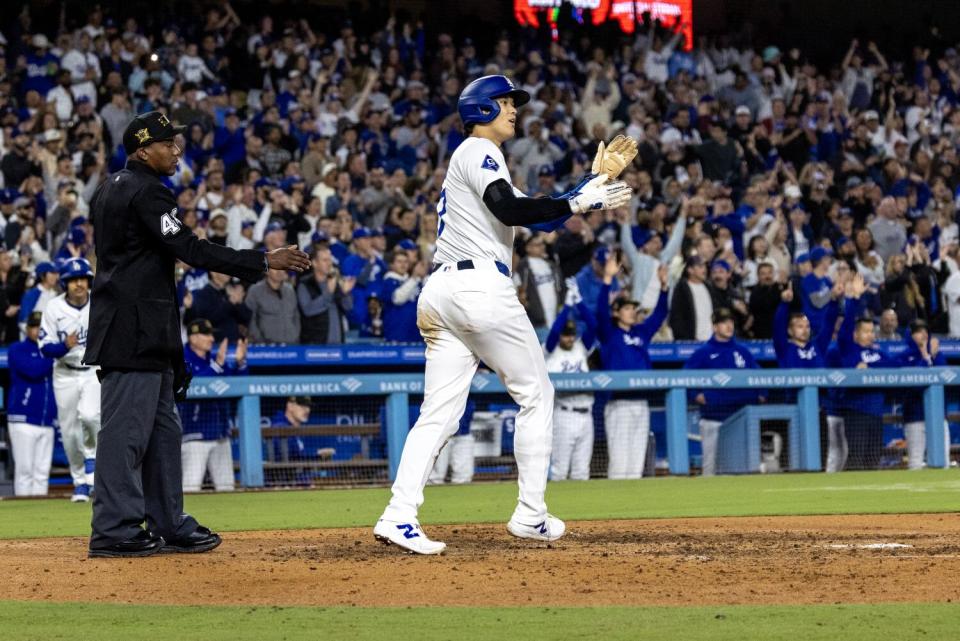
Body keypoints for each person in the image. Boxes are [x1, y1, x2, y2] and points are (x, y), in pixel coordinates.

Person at [374, 75, 632, 554]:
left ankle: (398, 514)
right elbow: (511, 208)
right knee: (536, 393)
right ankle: (530, 514)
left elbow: (533, 213)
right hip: (478, 290)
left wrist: (590, 186)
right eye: (506, 102)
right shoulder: (478, 150)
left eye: (514, 102)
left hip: (443, 293)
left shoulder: (475, 160)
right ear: (482, 110)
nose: (514, 108)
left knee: (438, 414)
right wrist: (578, 199)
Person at [85, 111, 309, 558]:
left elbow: (144, 268)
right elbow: (190, 249)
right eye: (168, 143)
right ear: (142, 150)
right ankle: (114, 528)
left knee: (163, 433)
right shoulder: (147, 191)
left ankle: (168, 522)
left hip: (147, 332)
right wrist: (265, 260)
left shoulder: (113, 186)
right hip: (134, 333)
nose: (177, 149)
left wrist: (173, 351)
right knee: (125, 435)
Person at [596, 260, 669, 479]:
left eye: (633, 308)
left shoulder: (640, 332)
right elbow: (600, 312)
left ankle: (632, 510)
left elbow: (659, 315)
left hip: (640, 401)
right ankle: (615, 509)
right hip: (619, 402)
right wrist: (607, 281)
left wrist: (664, 287)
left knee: (637, 461)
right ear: (617, 312)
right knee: (620, 461)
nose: (632, 311)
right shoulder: (609, 333)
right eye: (627, 308)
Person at [39, 258, 100, 502]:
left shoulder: (99, 302)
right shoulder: (54, 308)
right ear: (65, 283)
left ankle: (93, 470)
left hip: (92, 369)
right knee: (70, 431)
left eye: (83, 279)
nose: (79, 284)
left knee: (90, 416)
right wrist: (65, 346)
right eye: (74, 280)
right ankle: (80, 483)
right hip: (64, 371)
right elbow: (45, 348)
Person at [685, 308, 765, 476]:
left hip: (741, 418)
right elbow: (685, 379)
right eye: (723, 322)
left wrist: (762, 394)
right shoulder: (703, 353)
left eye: (731, 322)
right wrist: (697, 396)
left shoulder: (743, 352)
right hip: (714, 418)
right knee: (711, 467)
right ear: (715, 327)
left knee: (741, 467)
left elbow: (760, 375)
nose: (729, 326)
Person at [833, 273, 898, 470]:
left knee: (873, 458)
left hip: (876, 412)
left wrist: (870, 368)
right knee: (856, 457)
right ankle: (847, 496)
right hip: (856, 411)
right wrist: (853, 299)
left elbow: (894, 367)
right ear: (856, 334)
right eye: (866, 331)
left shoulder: (878, 353)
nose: (870, 335)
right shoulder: (849, 348)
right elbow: (844, 329)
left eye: (872, 331)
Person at [179, 319, 247, 492]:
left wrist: (240, 363)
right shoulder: (182, 358)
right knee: (190, 488)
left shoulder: (213, 359)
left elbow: (237, 384)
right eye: (206, 334)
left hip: (220, 434)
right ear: (193, 337)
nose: (211, 339)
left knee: (227, 489)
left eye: (211, 334)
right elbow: (191, 385)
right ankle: (181, 520)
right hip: (194, 436)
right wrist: (217, 366)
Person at [543, 281, 597, 481]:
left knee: (582, 471)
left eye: (572, 334)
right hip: (564, 413)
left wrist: (579, 302)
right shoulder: (549, 350)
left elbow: (593, 325)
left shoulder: (580, 348)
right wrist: (566, 307)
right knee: (559, 470)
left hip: (587, 413)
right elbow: (554, 332)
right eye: (566, 335)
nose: (569, 338)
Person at [7, 311, 57, 496]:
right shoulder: (17, 349)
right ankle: (23, 513)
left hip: (47, 420)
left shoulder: (49, 351)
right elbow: (33, 371)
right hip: (23, 418)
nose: (38, 330)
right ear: (28, 328)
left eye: (42, 327)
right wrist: (56, 354)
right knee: (25, 471)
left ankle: (40, 515)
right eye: (35, 326)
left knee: (42, 473)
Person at [897, 319, 948, 470]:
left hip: (938, 416)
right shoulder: (904, 357)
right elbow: (915, 385)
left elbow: (944, 379)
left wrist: (931, 356)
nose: (923, 334)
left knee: (943, 460)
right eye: (918, 331)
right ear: (910, 335)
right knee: (916, 462)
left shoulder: (938, 355)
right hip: (915, 416)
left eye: (925, 330)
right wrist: (925, 358)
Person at [244, 268, 300, 344]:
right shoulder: (255, 290)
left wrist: (295, 335)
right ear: (266, 271)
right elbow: (250, 320)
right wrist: (260, 340)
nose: (279, 271)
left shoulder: (290, 290)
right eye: (275, 268)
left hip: (292, 344)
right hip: (267, 346)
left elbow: (296, 316)